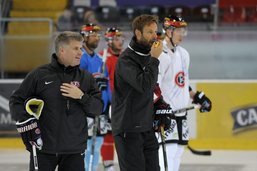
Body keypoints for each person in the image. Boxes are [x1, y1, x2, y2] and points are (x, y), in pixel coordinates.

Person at [9, 31, 103, 171]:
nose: (80, 53)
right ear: (62, 50)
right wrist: (27, 121)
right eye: (76, 48)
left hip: (74, 151)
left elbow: (98, 108)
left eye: (81, 48)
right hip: (43, 149)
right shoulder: (39, 74)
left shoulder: (86, 78)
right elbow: (16, 100)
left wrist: (82, 97)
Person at [156, 15, 212, 171]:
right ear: (168, 31)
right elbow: (155, 86)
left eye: (183, 30)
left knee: (178, 153)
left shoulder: (184, 54)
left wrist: (198, 97)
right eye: (178, 30)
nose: (182, 34)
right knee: (167, 153)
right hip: (166, 114)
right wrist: (157, 108)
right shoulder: (160, 53)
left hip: (182, 115)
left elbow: (182, 83)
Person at [111, 14, 163, 171]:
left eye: (155, 32)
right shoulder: (126, 60)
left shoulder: (149, 56)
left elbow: (154, 88)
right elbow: (145, 85)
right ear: (138, 33)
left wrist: (161, 105)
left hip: (146, 128)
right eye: (150, 32)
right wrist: (154, 60)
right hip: (128, 129)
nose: (155, 36)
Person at [79, 23, 112, 171]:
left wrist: (108, 104)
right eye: (93, 34)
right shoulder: (80, 57)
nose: (97, 38)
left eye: (98, 35)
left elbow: (105, 86)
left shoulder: (99, 60)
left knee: (97, 145)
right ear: (84, 37)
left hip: (101, 111)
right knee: (86, 147)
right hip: (85, 111)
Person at [98, 27, 124, 171]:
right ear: (109, 41)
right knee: (108, 135)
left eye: (121, 38)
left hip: (125, 104)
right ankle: (108, 166)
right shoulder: (102, 58)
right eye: (116, 38)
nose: (120, 41)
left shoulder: (126, 57)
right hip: (108, 104)